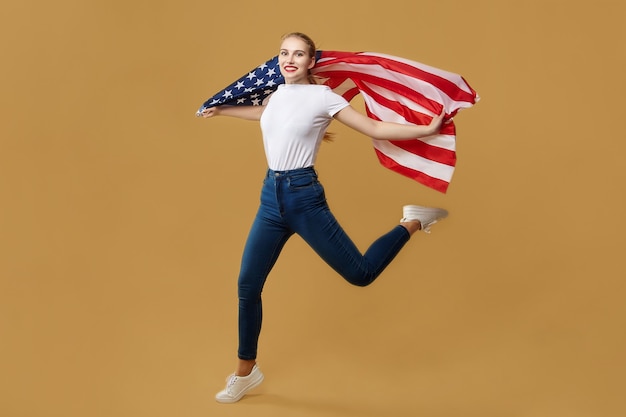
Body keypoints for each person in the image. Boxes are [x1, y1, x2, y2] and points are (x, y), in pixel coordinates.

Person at [200, 32, 449, 403]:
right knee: (247, 286)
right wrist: (222, 110)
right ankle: (245, 372)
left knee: (360, 275)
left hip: (304, 198)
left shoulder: (323, 98)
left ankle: (410, 221)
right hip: (271, 197)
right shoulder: (275, 94)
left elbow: (375, 128)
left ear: (311, 62)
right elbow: (265, 116)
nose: (289, 59)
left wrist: (426, 129)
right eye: (284, 53)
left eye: (298, 54)